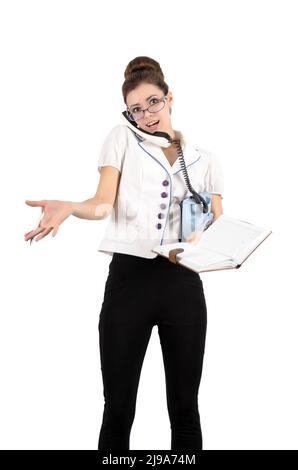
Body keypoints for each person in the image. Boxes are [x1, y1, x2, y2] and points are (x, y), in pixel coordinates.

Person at [24, 56, 224, 450]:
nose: (147, 114)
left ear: (169, 98)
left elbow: (217, 220)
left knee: (186, 408)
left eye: (153, 102)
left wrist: (217, 245)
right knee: (118, 407)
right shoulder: (122, 139)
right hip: (129, 284)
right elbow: (102, 203)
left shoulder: (205, 160)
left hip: (183, 285)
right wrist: (70, 207)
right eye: (136, 108)